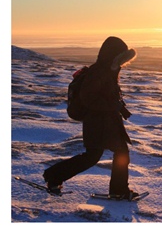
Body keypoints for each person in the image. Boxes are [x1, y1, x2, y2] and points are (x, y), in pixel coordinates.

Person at [43, 36, 138, 199]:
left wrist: (120, 109)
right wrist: (112, 106)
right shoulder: (98, 72)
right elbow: (88, 97)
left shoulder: (109, 71)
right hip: (97, 123)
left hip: (107, 122)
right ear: (112, 56)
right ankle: (54, 176)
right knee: (94, 156)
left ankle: (118, 189)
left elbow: (107, 96)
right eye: (120, 57)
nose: (122, 62)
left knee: (117, 152)